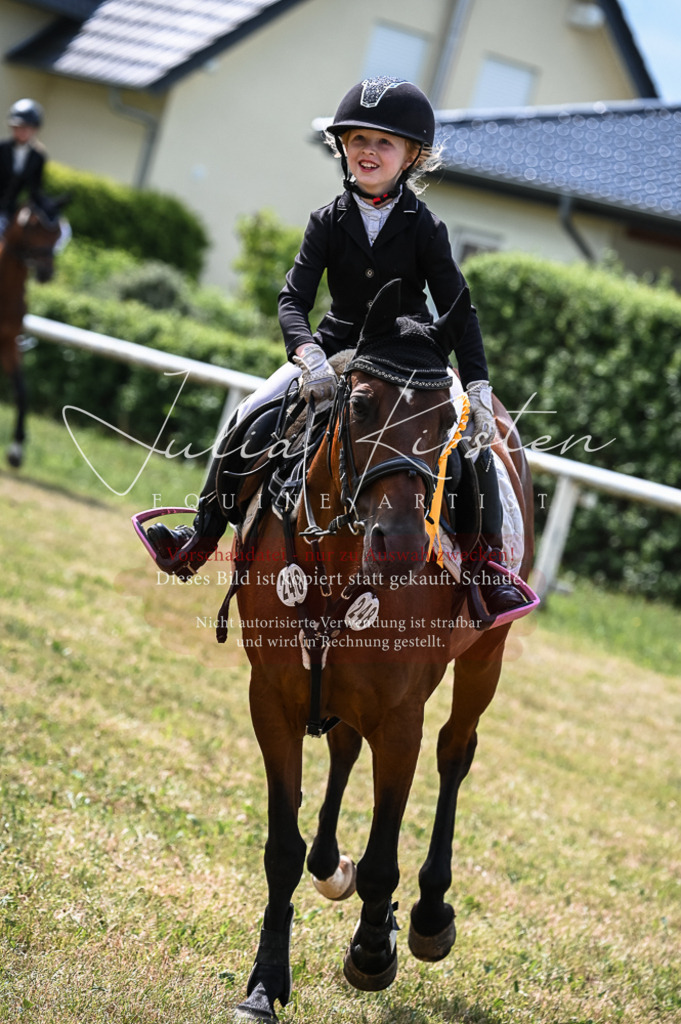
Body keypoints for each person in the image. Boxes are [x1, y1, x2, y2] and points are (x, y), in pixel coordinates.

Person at [147, 77, 524, 613]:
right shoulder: (326, 221)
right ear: (343, 147)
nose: (368, 151)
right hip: (333, 350)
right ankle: (201, 538)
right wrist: (309, 356)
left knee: (473, 446)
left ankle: (487, 567)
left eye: (384, 142)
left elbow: (460, 311)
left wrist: (479, 386)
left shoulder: (427, 228)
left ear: (412, 156)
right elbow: (292, 300)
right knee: (251, 413)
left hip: (410, 356)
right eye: (357, 140)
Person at [0, 99, 47, 238]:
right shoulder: (1, 149)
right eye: (18, 127)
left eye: (26, 127)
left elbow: (35, 189)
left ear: (34, 129)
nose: (22, 131)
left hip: (11, 211)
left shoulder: (38, 157)